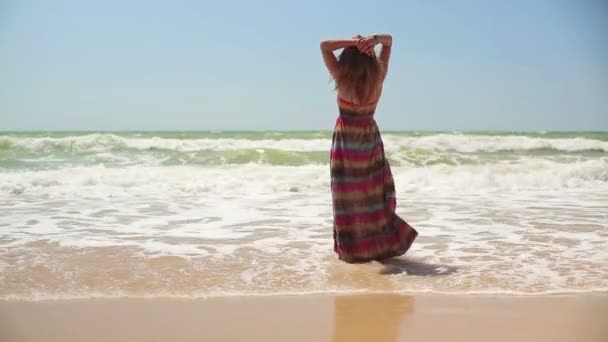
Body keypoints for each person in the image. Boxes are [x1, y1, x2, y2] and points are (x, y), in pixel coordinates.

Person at [321, 33, 418, 263]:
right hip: (369, 141)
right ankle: (378, 247)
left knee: (346, 197)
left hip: (346, 145)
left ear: (348, 59)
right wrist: (373, 40)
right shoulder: (379, 77)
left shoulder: (340, 77)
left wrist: (353, 42)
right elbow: (389, 40)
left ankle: (353, 251)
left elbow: (324, 46)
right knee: (372, 195)